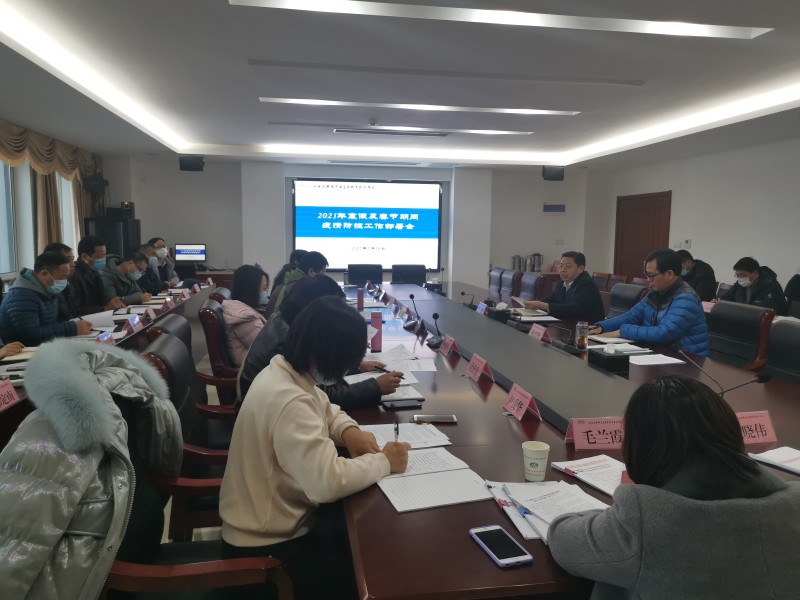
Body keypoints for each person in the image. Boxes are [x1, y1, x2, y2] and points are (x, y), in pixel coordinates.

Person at [220, 296, 410, 600]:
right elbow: (327, 482)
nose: (342, 373)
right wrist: (385, 462)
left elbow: (325, 406)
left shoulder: (284, 370)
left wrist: (348, 431)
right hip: (266, 554)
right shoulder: (290, 400)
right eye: (344, 363)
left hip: (265, 524)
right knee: (373, 570)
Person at [549, 376, 800, 599]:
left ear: (642, 448)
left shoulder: (646, 521)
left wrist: (618, 515)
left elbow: (562, 539)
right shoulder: (794, 501)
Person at [0, 339, 183, 598]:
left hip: (112, 570)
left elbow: (16, 549)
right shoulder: (132, 393)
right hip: (127, 566)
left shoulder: (52, 432)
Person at [237, 274, 403, 409]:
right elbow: (323, 397)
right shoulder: (286, 344)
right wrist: (375, 387)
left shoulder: (286, 321)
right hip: (263, 417)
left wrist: (354, 366)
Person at [590, 248, 709, 355]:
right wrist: (601, 327)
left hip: (688, 359)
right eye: (646, 275)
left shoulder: (686, 298)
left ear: (669, 274)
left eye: (651, 275)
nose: (648, 280)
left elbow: (664, 332)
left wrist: (623, 331)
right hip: (660, 353)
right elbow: (632, 316)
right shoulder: (656, 292)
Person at [0, 252, 93, 346]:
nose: (64, 281)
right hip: (21, 351)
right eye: (62, 277)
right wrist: (72, 328)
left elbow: (53, 323)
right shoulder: (21, 297)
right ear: (44, 274)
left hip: (46, 344)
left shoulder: (49, 289)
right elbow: (30, 336)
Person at [520, 251, 605, 323]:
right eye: (561, 266)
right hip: (567, 324)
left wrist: (541, 305)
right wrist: (535, 304)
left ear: (581, 269)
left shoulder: (587, 284)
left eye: (568, 266)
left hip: (588, 329)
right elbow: (551, 298)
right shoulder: (561, 282)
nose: (563, 270)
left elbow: (574, 309)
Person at [222, 264, 269, 366]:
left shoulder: (239, 307)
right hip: (252, 368)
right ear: (251, 290)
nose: (266, 293)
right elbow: (266, 348)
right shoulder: (244, 317)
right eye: (263, 289)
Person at [69, 235, 125, 315]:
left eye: (104, 255)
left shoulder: (94, 271)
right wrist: (105, 308)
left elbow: (103, 300)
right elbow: (76, 310)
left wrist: (114, 302)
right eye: (100, 256)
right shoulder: (74, 276)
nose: (104, 259)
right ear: (84, 257)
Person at [264, 250, 328, 318]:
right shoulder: (302, 289)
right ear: (311, 271)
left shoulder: (286, 281)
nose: (324, 277)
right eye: (323, 273)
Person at [720, 256, 786, 314]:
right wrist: (720, 302)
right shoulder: (739, 284)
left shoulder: (771, 286)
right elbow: (727, 298)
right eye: (737, 275)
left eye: (743, 275)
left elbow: (768, 310)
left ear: (755, 273)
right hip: (742, 318)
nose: (740, 278)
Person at [43, 241, 77, 320]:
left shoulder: (68, 284)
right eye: (68, 260)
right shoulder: (47, 288)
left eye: (73, 260)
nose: (74, 264)